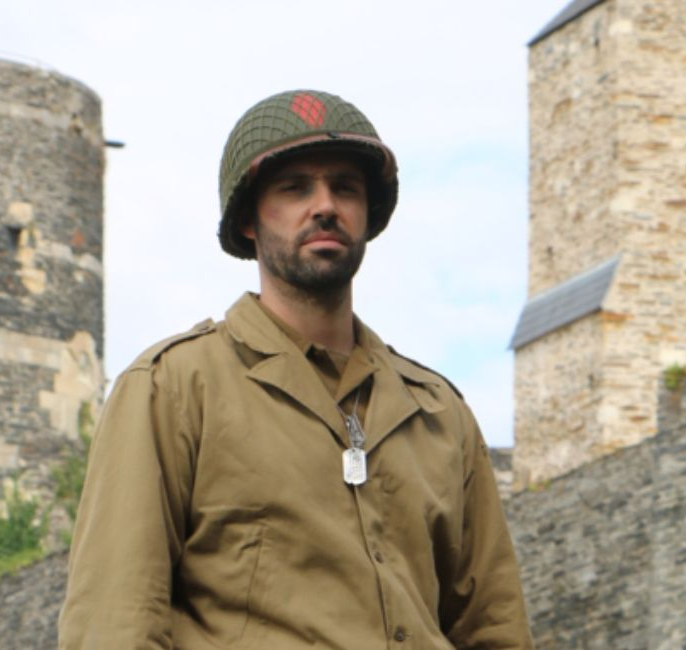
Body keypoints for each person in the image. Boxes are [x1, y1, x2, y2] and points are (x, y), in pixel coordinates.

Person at [58, 90, 533, 649]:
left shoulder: (438, 412)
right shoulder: (174, 387)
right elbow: (114, 625)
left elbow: (494, 627)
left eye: (345, 187)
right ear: (249, 220)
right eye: (295, 187)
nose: (325, 205)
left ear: (367, 214)